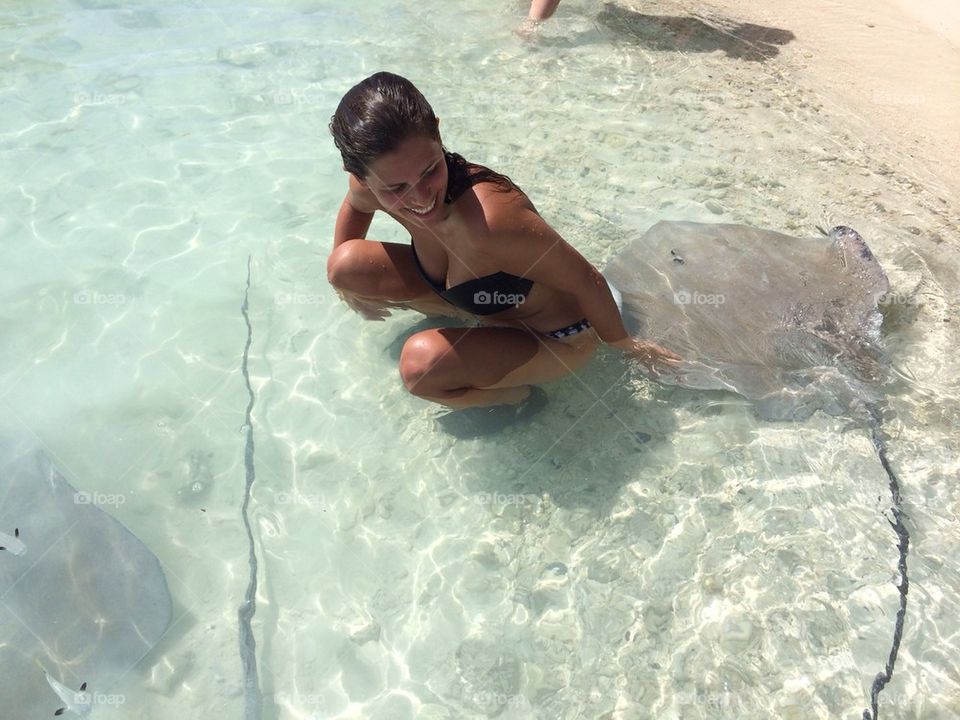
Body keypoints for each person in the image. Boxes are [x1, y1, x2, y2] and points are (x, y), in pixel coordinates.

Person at [327, 71, 677, 420]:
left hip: (555, 338)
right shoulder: (368, 186)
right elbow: (356, 207)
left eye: (430, 170)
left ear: (437, 130)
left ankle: (519, 399)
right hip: (480, 305)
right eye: (395, 187)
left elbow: (587, 280)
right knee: (345, 267)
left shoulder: (491, 222)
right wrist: (346, 290)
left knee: (420, 366)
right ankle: (471, 336)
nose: (421, 198)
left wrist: (624, 346)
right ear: (360, 176)